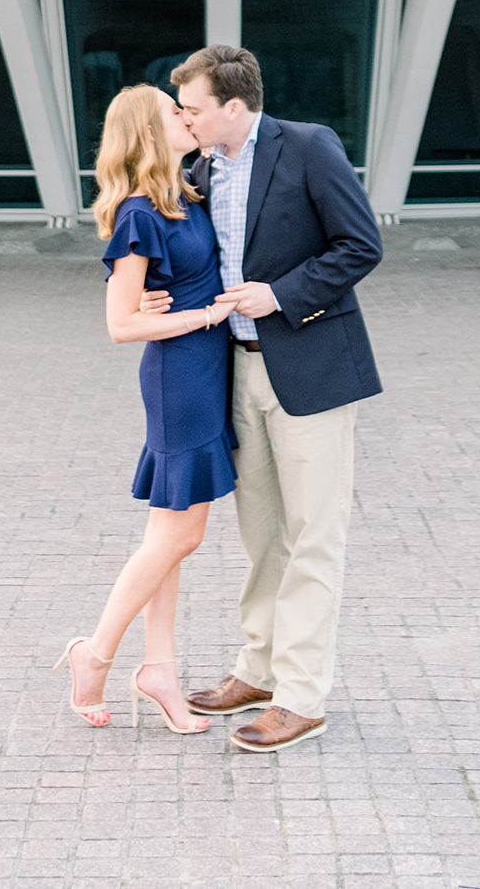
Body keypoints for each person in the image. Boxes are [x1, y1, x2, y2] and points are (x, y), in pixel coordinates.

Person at [144, 43, 383, 754]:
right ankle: (258, 669)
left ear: (234, 108)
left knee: (314, 537)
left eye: (192, 108)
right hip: (237, 373)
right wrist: (156, 293)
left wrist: (280, 295)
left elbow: (359, 245)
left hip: (310, 368)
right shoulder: (196, 169)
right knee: (261, 535)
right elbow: (186, 259)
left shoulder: (308, 148)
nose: (184, 120)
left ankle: (302, 697)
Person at [53, 84, 238, 733]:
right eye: (173, 112)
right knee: (181, 534)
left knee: (169, 539)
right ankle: (95, 655)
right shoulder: (138, 213)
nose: (186, 117)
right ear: (148, 133)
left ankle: (159, 667)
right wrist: (203, 314)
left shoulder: (187, 192)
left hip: (207, 370)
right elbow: (120, 325)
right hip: (179, 378)